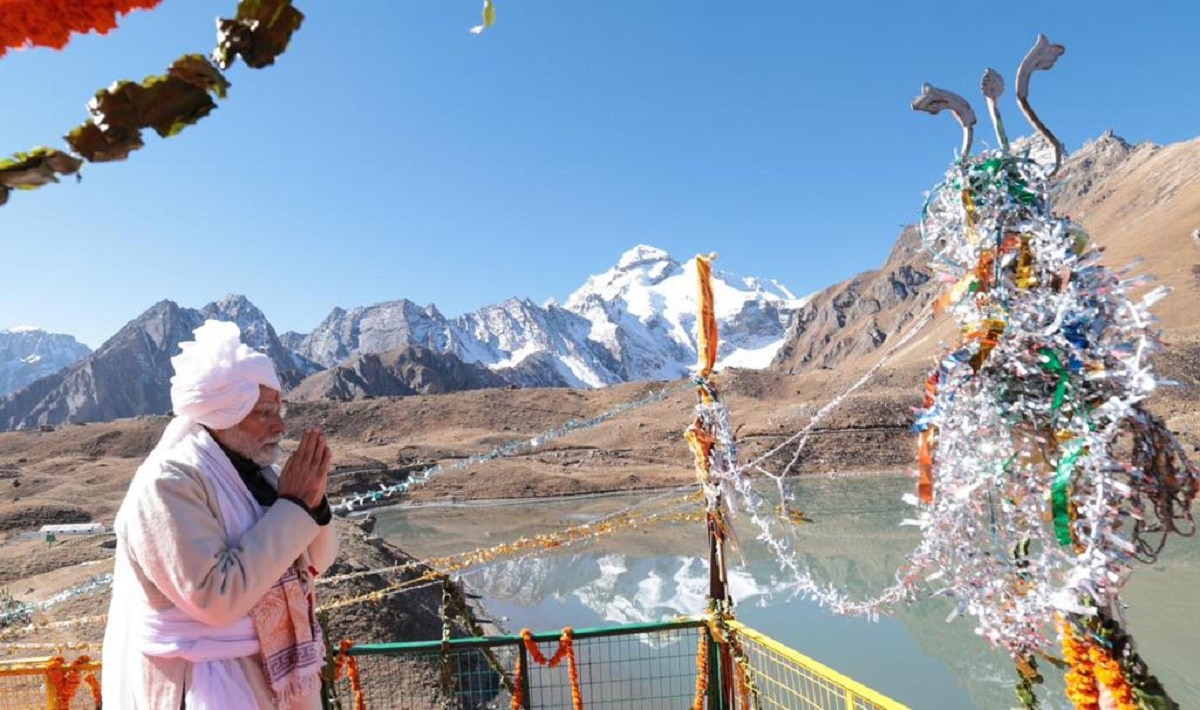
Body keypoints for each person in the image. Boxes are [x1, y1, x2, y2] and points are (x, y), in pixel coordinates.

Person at [102, 320, 338, 709]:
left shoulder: (260, 474)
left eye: (279, 410)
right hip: (207, 687)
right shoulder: (168, 484)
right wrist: (295, 507)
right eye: (264, 413)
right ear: (224, 413)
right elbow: (215, 597)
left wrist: (312, 502)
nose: (280, 425)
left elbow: (316, 564)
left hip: (277, 683)